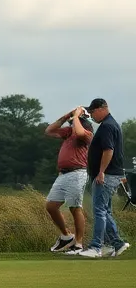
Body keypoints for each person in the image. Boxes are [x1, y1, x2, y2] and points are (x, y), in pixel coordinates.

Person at [78, 98, 129, 259]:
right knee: (104, 211)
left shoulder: (107, 126)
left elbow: (109, 151)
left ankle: (96, 247)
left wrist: (101, 172)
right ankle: (117, 243)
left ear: (102, 109)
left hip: (106, 175)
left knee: (99, 210)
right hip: (111, 174)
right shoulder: (110, 124)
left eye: (93, 112)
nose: (92, 116)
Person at [43, 107, 92, 254]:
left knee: (74, 207)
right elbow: (49, 131)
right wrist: (66, 116)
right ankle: (66, 236)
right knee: (51, 206)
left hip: (77, 173)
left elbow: (79, 131)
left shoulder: (87, 134)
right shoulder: (69, 133)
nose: (72, 124)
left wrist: (76, 116)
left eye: (76, 121)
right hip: (63, 175)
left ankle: (78, 243)